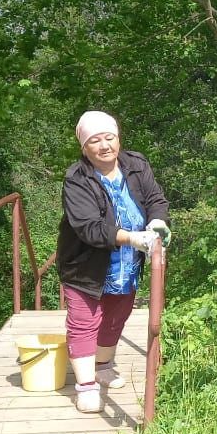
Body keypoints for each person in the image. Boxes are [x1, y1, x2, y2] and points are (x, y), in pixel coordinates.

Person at [56, 110, 172, 413]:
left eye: (109, 137)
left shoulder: (136, 164)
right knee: (84, 321)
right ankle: (85, 386)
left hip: (127, 263)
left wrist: (157, 222)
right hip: (85, 263)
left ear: (118, 138)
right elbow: (88, 227)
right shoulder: (76, 179)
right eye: (95, 140)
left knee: (115, 316)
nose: (104, 145)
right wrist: (132, 238)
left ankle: (103, 366)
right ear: (84, 147)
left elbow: (155, 199)